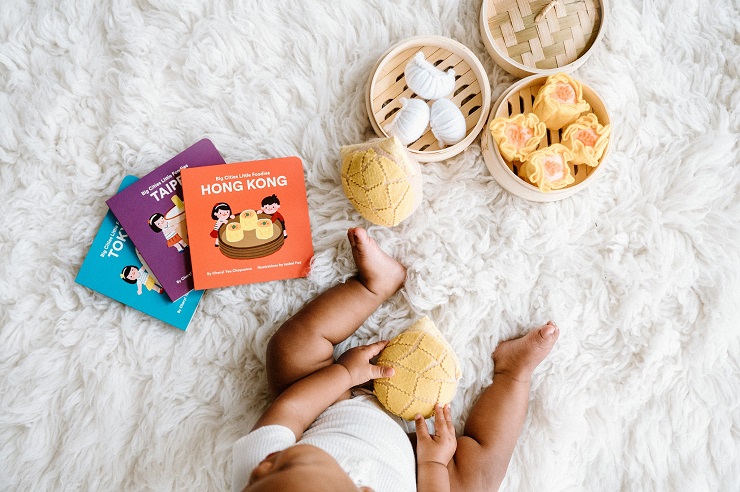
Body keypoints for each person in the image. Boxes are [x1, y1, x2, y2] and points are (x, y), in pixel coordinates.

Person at [232, 227, 559, 492]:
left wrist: (344, 374)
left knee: (289, 349)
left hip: (331, 406)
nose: (265, 462)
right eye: (289, 463)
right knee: (481, 480)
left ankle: (373, 286)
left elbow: (291, 410)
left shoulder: (259, 467)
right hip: (412, 461)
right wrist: (432, 465)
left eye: (263, 474)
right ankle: (514, 372)